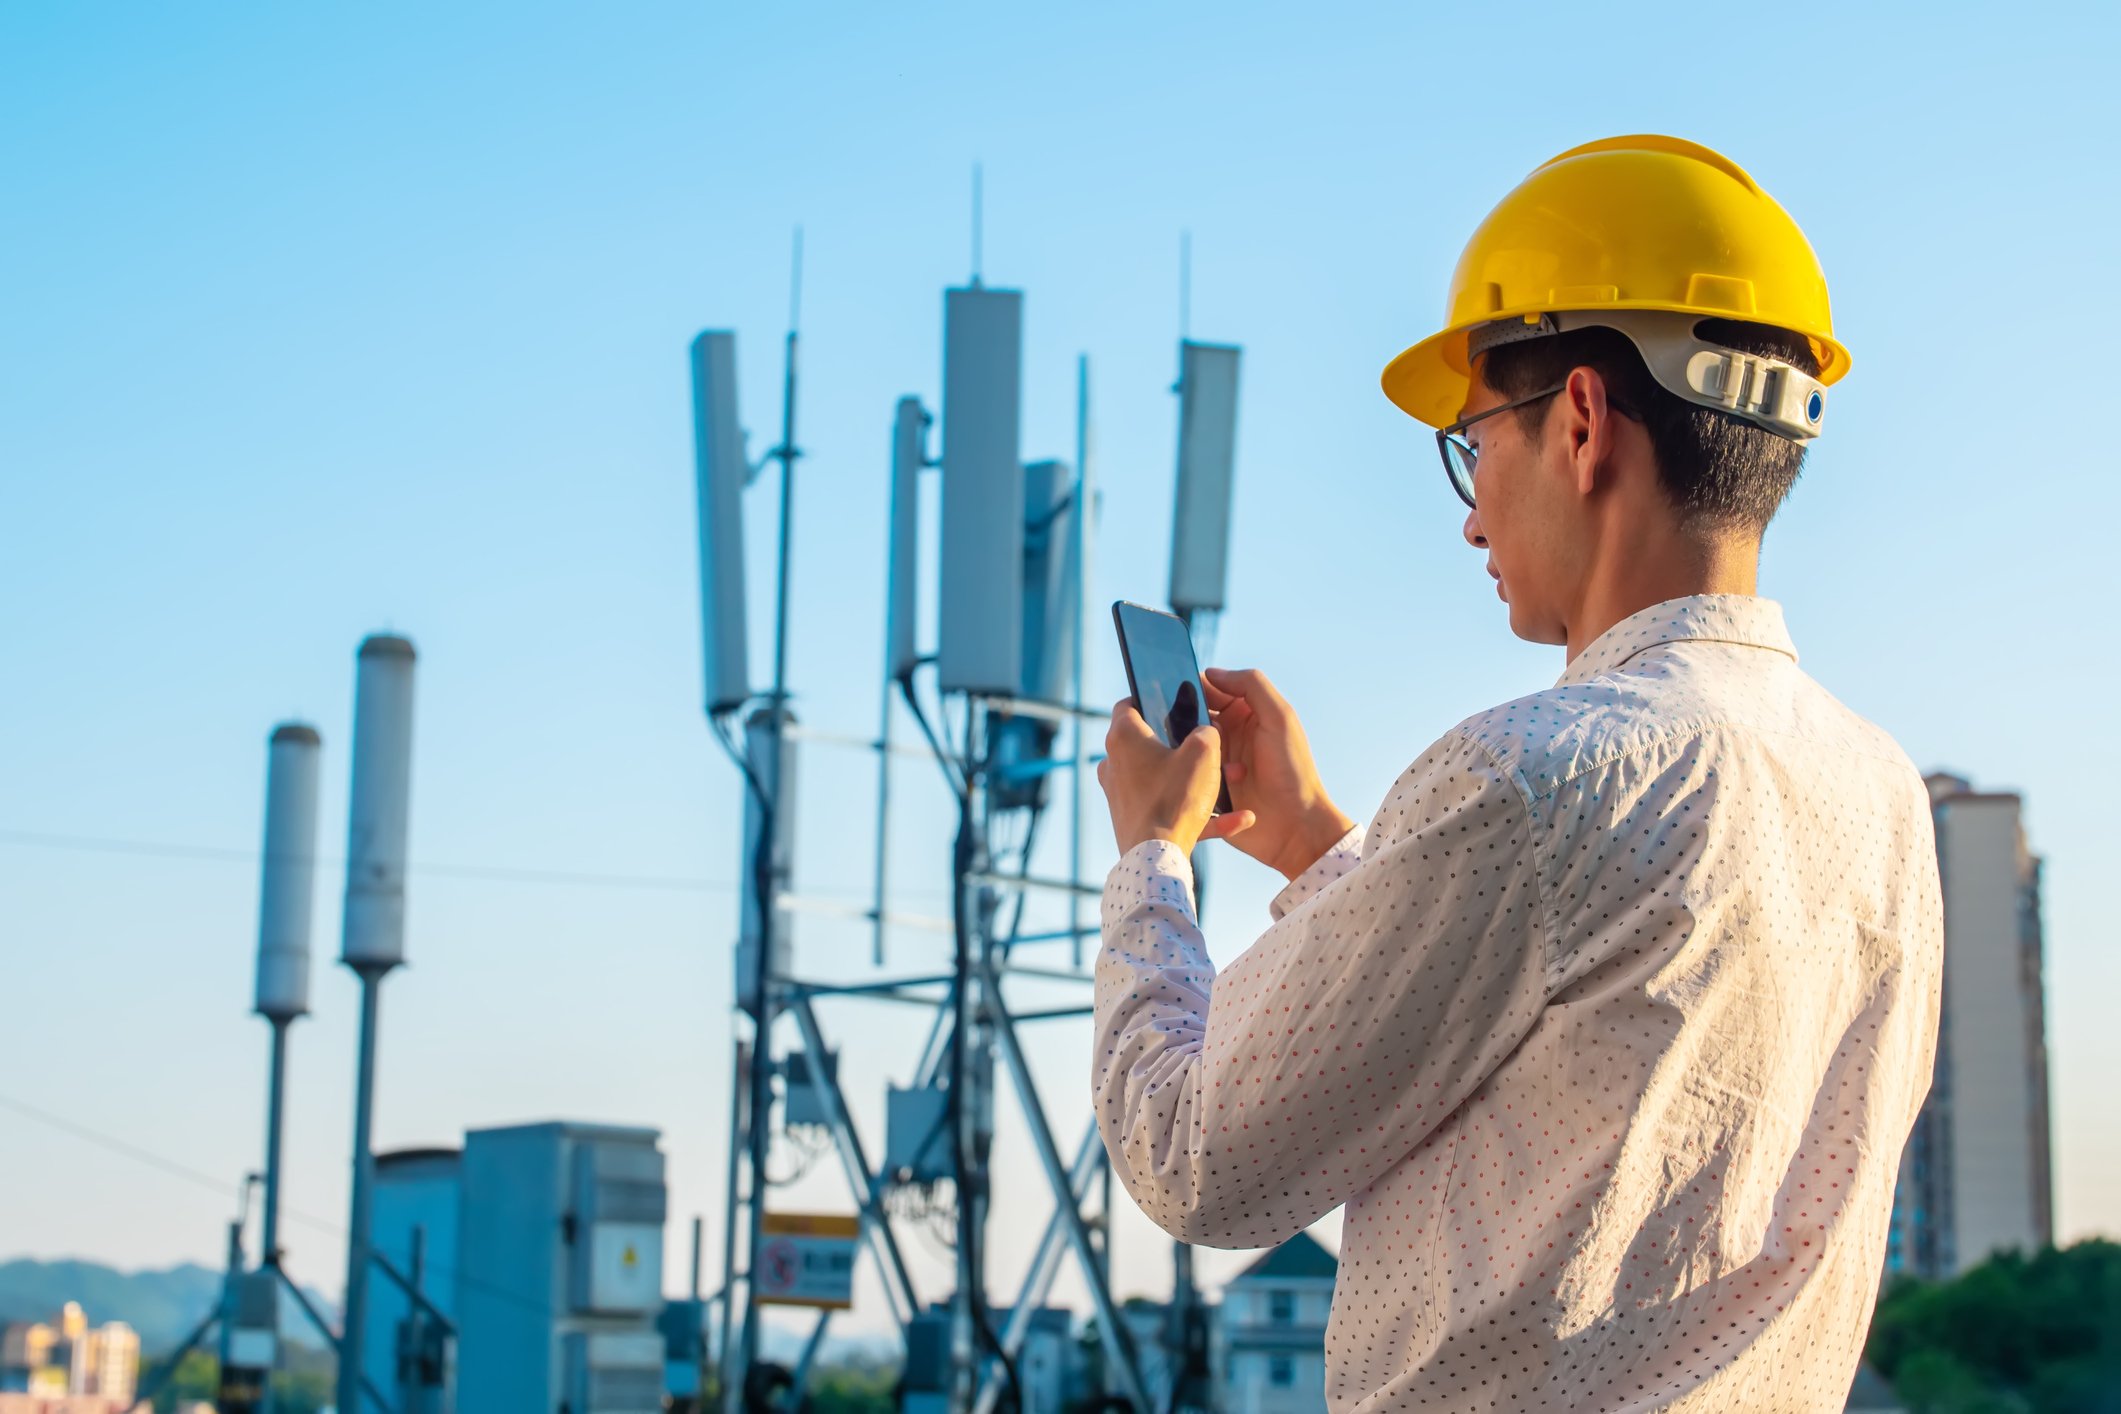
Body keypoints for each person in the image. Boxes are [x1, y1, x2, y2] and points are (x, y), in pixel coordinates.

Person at [1092, 135, 1944, 1412]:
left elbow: (1195, 1157)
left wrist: (1149, 863)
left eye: (1473, 441)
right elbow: (1558, 1040)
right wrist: (1323, 848)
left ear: (1584, 423)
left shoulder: (1531, 780)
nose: (1473, 514)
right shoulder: (1883, 800)